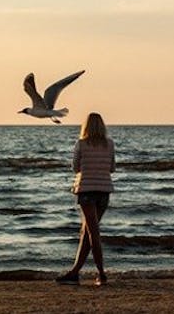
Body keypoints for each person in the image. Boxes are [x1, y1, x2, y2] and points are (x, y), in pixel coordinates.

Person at [55, 112, 115, 286]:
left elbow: (75, 168)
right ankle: (75, 272)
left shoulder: (81, 144)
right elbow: (112, 168)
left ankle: (101, 273)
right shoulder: (109, 144)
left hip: (86, 190)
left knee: (92, 233)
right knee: (87, 233)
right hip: (104, 191)